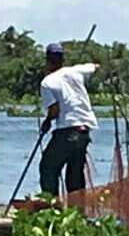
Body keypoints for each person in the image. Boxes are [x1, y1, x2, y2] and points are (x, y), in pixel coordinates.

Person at [39, 42, 99, 196]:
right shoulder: (76, 71)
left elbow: (54, 110)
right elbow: (95, 67)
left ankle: (52, 208)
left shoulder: (47, 82)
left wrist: (46, 122)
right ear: (62, 59)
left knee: (48, 167)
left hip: (67, 131)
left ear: (47, 60)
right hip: (84, 131)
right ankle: (77, 212)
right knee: (75, 175)